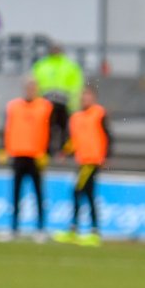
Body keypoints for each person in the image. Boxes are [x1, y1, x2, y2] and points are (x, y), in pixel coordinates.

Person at [53, 85, 110, 247]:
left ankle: (79, 230)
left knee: (78, 192)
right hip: (82, 160)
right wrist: (65, 153)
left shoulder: (99, 113)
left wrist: (106, 156)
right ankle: (91, 231)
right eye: (83, 96)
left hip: (93, 161)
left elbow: (108, 135)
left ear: (94, 98)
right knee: (86, 195)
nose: (85, 99)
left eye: (88, 96)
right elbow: (74, 140)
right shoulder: (76, 117)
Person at [1, 78, 52, 241]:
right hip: (18, 154)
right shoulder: (14, 106)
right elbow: (8, 128)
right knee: (16, 193)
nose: (30, 91)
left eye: (33, 88)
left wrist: (47, 152)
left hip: (36, 156)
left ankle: (40, 229)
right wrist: (5, 148)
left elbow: (51, 130)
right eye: (28, 88)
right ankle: (14, 228)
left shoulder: (45, 107)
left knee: (38, 194)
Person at [31, 40, 82, 156]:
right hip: (45, 103)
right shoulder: (41, 65)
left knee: (65, 129)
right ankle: (46, 150)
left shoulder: (69, 66)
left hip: (64, 103)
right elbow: (34, 84)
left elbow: (76, 86)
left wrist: (74, 104)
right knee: (46, 128)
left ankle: (65, 152)